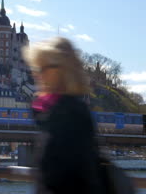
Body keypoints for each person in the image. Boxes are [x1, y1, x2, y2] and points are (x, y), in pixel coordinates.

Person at [23, 37, 106, 194]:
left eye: (41, 68)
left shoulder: (70, 115)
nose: (35, 74)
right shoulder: (58, 111)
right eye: (35, 68)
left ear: (60, 70)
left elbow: (69, 179)